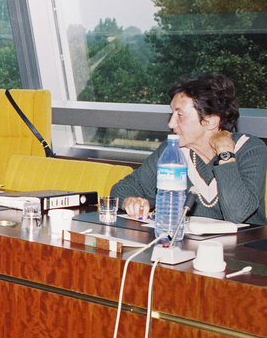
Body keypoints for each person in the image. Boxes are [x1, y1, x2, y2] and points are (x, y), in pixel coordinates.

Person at [111, 72, 267, 225]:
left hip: (244, 248)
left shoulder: (251, 150)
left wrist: (225, 153)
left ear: (211, 121)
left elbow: (238, 214)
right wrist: (130, 200)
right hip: (189, 247)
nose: (171, 124)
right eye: (172, 114)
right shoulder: (172, 151)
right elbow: (123, 188)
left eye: (180, 115)